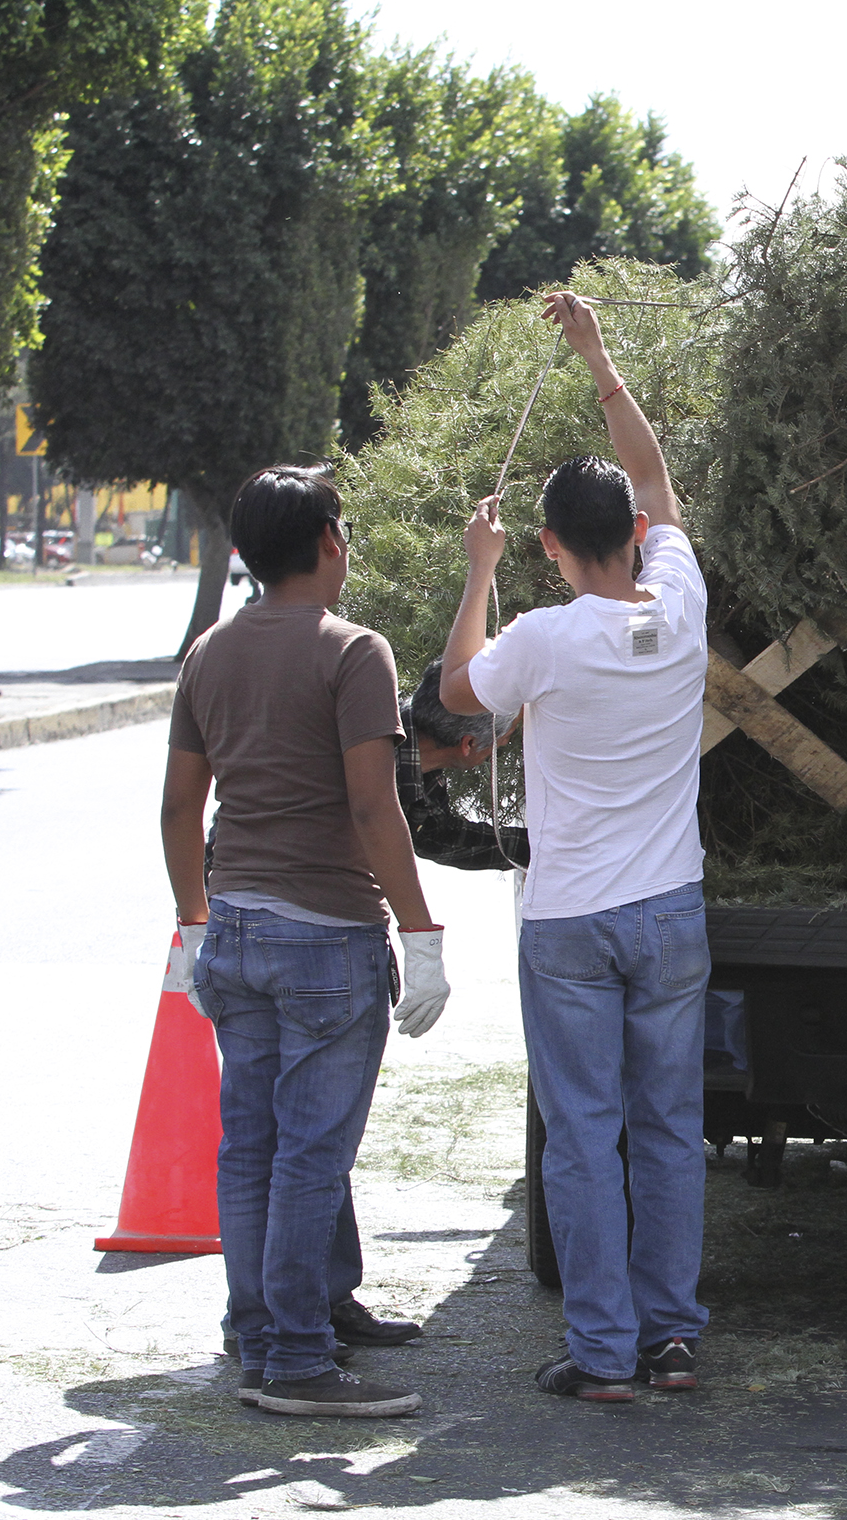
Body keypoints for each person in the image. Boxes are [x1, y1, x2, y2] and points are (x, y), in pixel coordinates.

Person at [440, 292, 712, 1402]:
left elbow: (459, 698)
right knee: (668, 1129)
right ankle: (672, 1337)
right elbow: (652, 482)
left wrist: (475, 571)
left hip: (567, 922)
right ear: (639, 540)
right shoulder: (683, 603)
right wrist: (598, 355)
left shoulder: (541, 636)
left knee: (581, 1138)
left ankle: (602, 1356)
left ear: (551, 548)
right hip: (670, 909)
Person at [159, 466, 451, 1418]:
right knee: (309, 1154)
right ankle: (294, 1358)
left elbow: (177, 805)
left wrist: (191, 919)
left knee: (253, 1144)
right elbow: (375, 805)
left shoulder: (207, 652)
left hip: (235, 927)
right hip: (328, 936)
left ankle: (261, 1331)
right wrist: (422, 930)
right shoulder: (354, 650)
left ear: (242, 552)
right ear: (330, 540)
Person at [400, 657, 530, 871]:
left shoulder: (423, 776)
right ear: (469, 743)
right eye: (507, 736)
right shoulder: (376, 758)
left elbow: (444, 838)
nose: (504, 744)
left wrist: (551, 850)